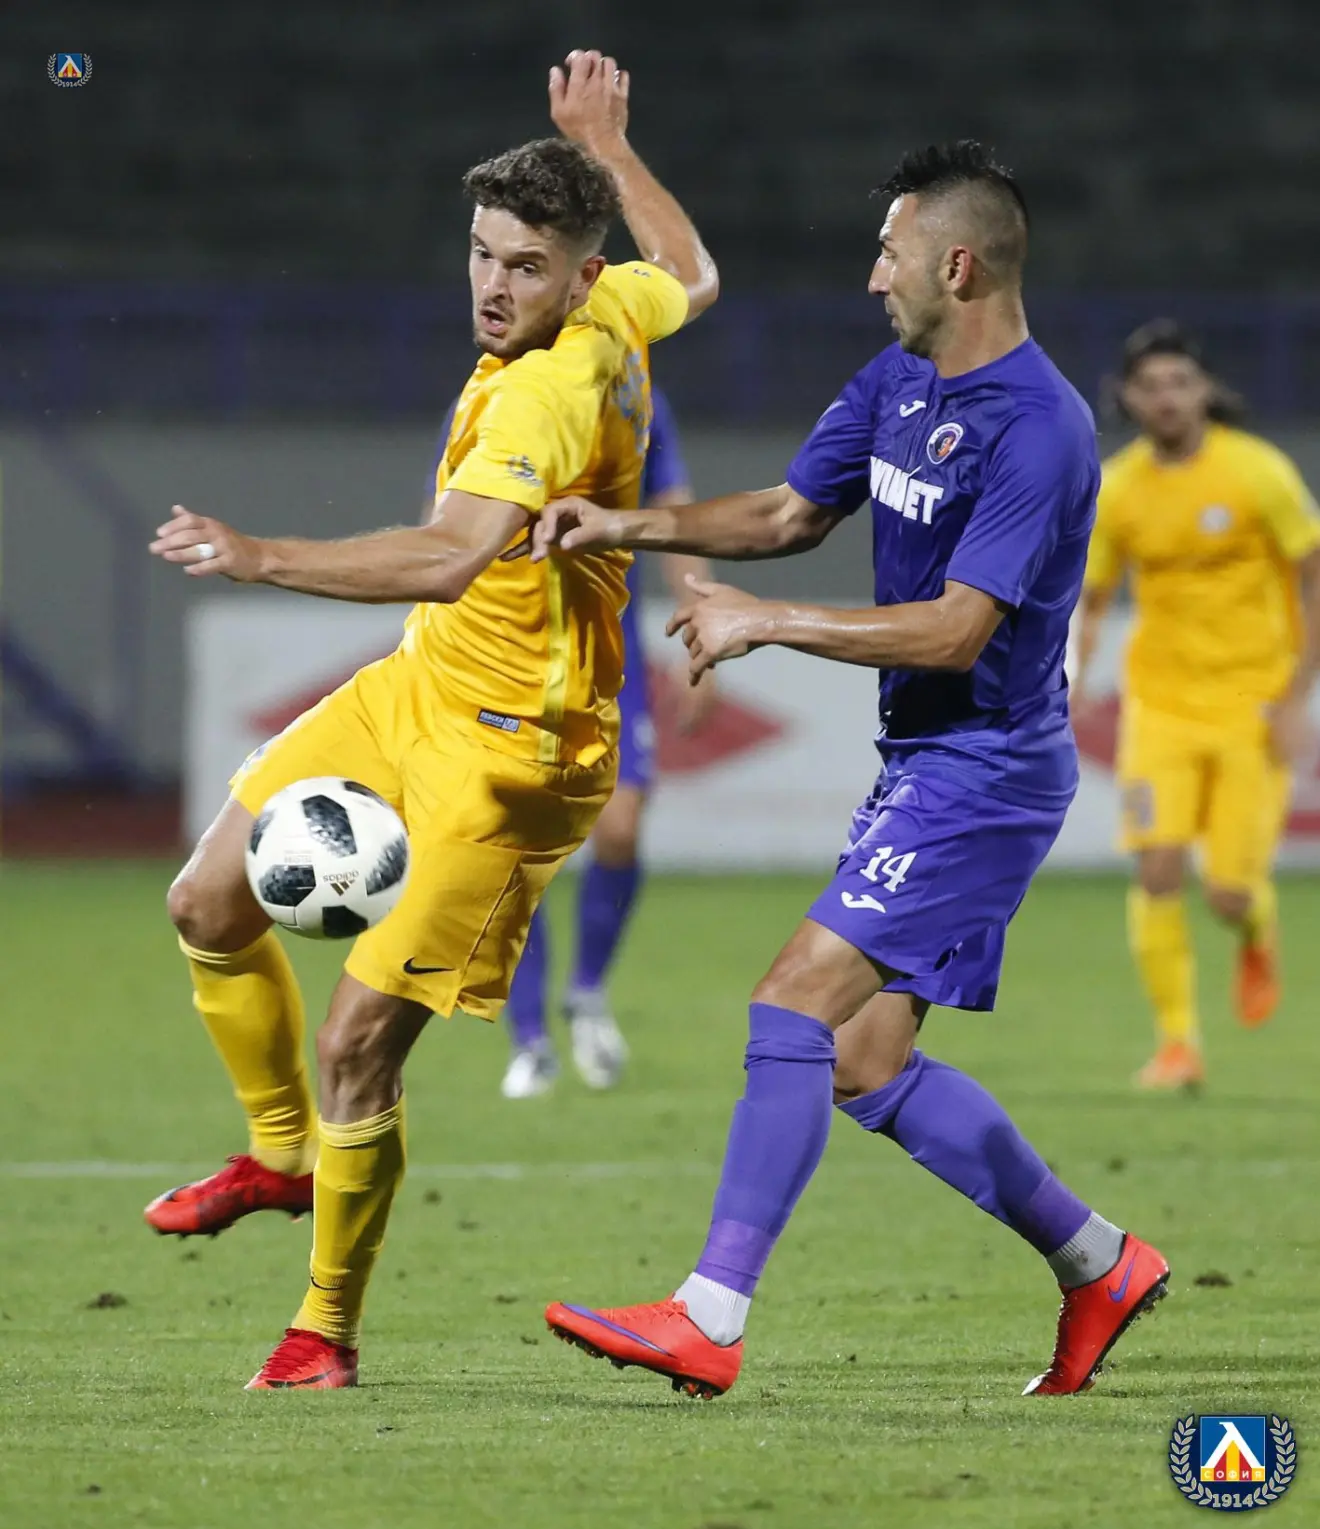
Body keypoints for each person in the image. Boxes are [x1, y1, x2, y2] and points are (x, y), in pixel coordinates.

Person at [536, 140, 1168, 1401]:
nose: (873, 275)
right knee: (868, 1063)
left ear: (958, 264)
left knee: (792, 1005)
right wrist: (623, 524)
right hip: (930, 763)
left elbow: (957, 631)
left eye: (889, 252)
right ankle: (1100, 1263)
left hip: (987, 774)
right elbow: (788, 514)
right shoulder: (899, 379)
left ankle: (709, 1315)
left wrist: (767, 624)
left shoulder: (1041, 428)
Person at [143, 50, 718, 1390]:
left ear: (577, 278)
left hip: (514, 754)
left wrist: (259, 554)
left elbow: (449, 554)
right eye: (480, 255)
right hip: (418, 688)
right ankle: (280, 1157)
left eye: (525, 267)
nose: (492, 286)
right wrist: (610, 148)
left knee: (357, 1044)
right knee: (205, 903)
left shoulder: (547, 390)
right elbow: (693, 274)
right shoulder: (618, 303)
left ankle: (321, 1333)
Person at [1073, 321, 1320, 1090]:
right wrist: (1072, 681)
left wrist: (1297, 698)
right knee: (1157, 868)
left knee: (1228, 892)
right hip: (1161, 706)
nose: (1168, 399)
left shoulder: (1257, 472)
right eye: (1151, 386)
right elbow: (1089, 598)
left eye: (1180, 382)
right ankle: (1177, 1045)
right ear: (1128, 398)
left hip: (1253, 704)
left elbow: (1313, 576)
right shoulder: (1118, 489)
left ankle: (1255, 925)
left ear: (1205, 390)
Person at [501, 386, 716, 1098]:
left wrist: (699, 621)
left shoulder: (635, 400)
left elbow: (676, 515)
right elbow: (444, 524)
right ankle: (530, 1039)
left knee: (620, 828)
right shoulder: (494, 394)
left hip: (606, 661)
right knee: (517, 852)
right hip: (512, 663)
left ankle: (586, 991)